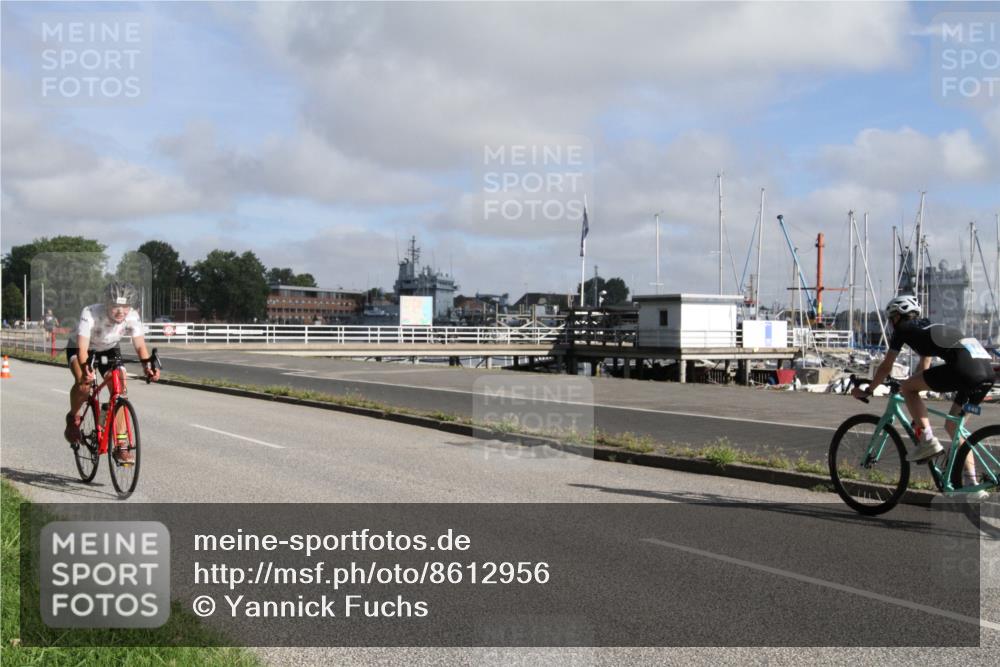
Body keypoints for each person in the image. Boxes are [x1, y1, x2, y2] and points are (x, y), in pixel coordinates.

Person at [853, 295, 995, 498]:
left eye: (891, 318)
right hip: (987, 374)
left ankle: (928, 441)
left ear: (898, 316)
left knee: (907, 388)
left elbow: (886, 366)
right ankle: (973, 485)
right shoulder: (928, 327)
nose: (891, 323)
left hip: (965, 371)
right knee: (954, 427)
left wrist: (869, 389)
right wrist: (917, 412)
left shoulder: (903, 329)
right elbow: (924, 366)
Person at [64, 281, 160, 460]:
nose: (121, 311)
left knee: (120, 390)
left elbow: (140, 345)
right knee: (84, 383)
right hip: (82, 348)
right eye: (116, 306)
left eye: (125, 306)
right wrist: (86, 369)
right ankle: (73, 417)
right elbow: (82, 349)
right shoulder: (90, 313)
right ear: (106, 303)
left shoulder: (132, 316)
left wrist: (148, 366)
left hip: (109, 349)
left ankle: (121, 444)